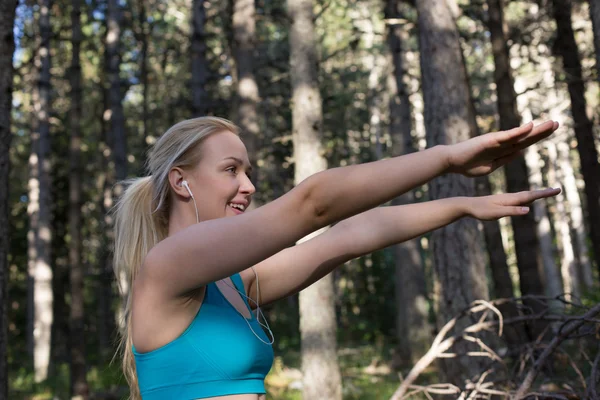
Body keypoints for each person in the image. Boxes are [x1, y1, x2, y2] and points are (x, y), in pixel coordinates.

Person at [111, 116, 560, 400]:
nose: (247, 185)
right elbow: (314, 205)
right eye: (231, 169)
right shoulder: (167, 266)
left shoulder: (234, 283)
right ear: (179, 181)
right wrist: (445, 159)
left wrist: (461, 205)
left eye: (248, 171)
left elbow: (347, 236)